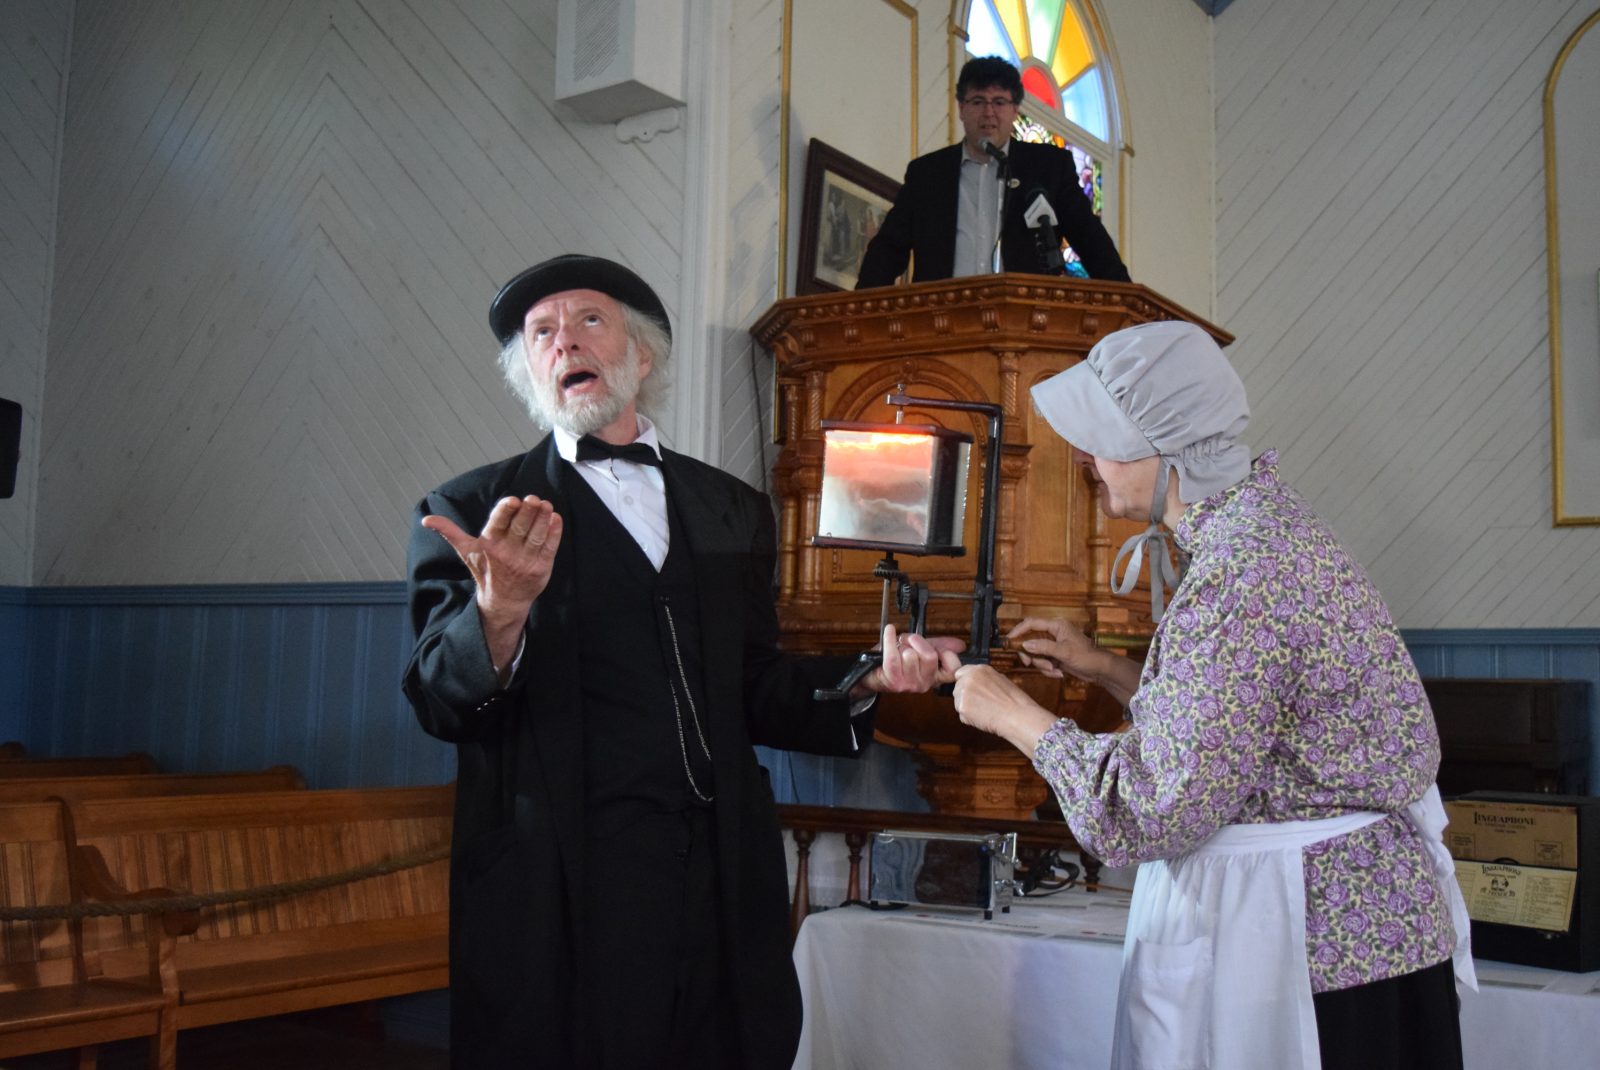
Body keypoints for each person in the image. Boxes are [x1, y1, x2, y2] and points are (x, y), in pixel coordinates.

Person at [402, 254, 959, 1069]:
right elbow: (436, 702)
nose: (564, 343)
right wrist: (499, 611)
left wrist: (865, 678)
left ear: (642, 354)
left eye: (588, 320)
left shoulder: (732, 506)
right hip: (567, 875)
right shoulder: (470, 511)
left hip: (721, 861)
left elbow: (756, 687)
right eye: (541, 333)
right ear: (528, 369)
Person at [942, 321, 1474, 1069]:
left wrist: (1016, 716)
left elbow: (1149, 810)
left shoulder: (1240, 574)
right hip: (1371, 936)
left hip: (1319, 953)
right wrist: (1102, 667)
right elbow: (1246, 724)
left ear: (1166, 447)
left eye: (1103, 440)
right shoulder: (1266, 528)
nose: (1089, 461)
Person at [855, 56, 1130, 289]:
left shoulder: (1048, 167)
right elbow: (888, 250)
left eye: (999, 102)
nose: (988, 112)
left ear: (1014, 110)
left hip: (1026, 322)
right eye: (977, 101)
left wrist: (1127, 299)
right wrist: (858, 308)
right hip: (941, 321)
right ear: (961, 108)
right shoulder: (927, 174)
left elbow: (1090, 239)